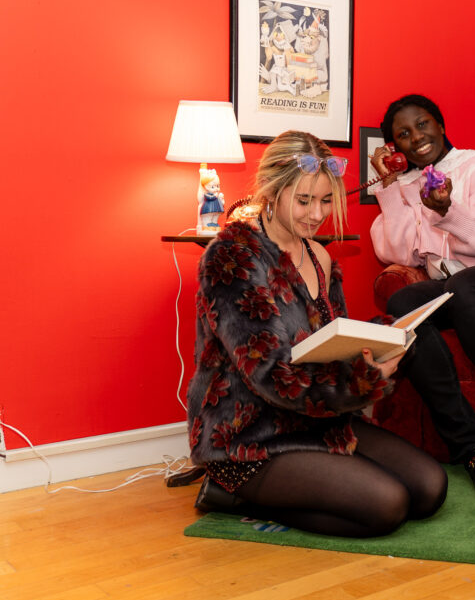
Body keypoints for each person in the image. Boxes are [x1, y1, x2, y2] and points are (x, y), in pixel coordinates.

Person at [186, 130, 446, 537]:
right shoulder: (232, 256)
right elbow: (270, 376)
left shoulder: (318, 255)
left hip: (315, 418)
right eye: (304, 200)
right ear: (272, 191)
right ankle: (229, 490)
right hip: (250, 437)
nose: (316, 213)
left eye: (326, 200)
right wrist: (364, 380)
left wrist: (382, 340)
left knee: (429, 489)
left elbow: (330, 344)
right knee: (387, 505)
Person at [369, 94, 475, 497]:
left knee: (463, 286)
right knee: (403, 305)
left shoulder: (473, 165)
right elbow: (395, 251)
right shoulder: (407, 184)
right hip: (454, 289)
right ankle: (472, 448)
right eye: (404, 135)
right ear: (395, 148)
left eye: (423, 124)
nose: (417, 138)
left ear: (441, 125)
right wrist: (391, 186)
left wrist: (449, 211)